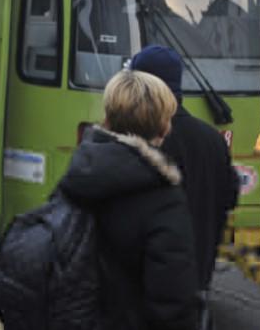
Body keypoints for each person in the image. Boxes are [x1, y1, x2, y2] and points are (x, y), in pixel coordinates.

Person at [57, 69, 198, 330]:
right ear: (163, 128)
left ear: (107, 117)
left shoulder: (80, 170)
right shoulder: (163, 200)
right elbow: (172, 303)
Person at [131, 46, 239, 303]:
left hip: (145, 289)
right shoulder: (213, 140)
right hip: (196, 283)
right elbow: (229, 197)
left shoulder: (143, 140)